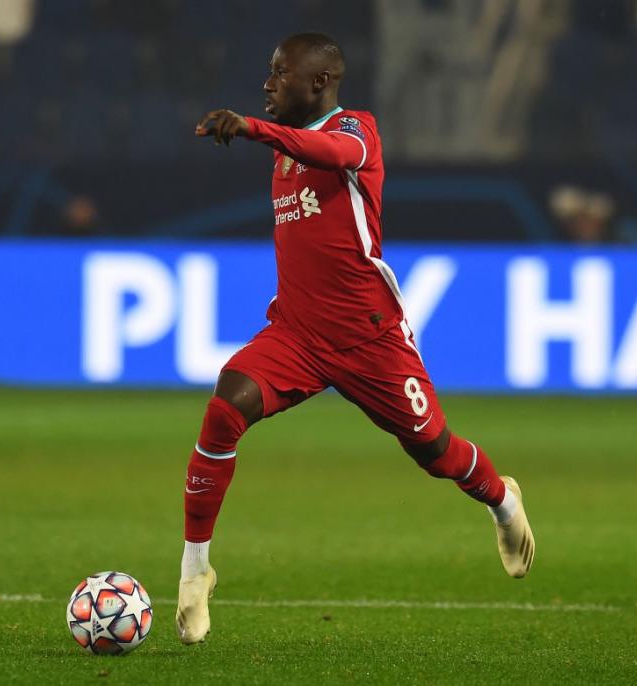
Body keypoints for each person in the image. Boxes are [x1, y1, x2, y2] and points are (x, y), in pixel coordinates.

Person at [177, 32, 535, 645]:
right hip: (296, 334)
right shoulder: (285, 150)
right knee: (224, 407)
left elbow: (335, 152)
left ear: (319, 82)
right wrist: (268, 134)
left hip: (370, 339)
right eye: (268, 71)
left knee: (436, 452)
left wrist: (255, 129)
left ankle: (502, 499)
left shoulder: (356, 130)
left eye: (280, 72)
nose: (268, 83)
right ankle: (194, 573)